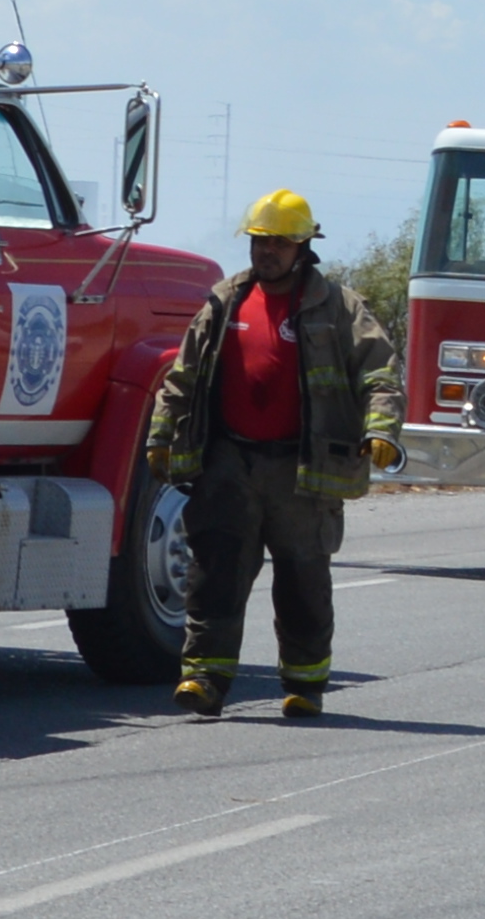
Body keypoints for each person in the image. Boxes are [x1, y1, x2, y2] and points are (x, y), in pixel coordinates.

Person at [144, 187, 388, 722]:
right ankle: (204, 679)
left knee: (303, 580)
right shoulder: (225, 300)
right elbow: (181, 377)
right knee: (215, 573)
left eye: (277, 241)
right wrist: (160, 438)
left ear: (303, 246)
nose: (265, 251)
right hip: (229, 461)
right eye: (258, 240)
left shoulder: (338, 307)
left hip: (302, 468)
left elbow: (379, 374)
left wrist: (382, 431)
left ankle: (305, 686)